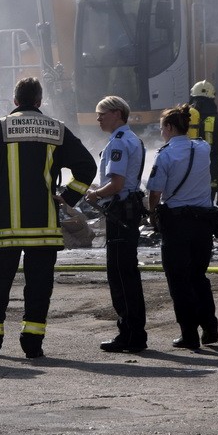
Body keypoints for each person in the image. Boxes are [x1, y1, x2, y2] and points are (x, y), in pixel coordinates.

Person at [0, 77, 96, 359]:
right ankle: (33, 344)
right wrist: (68, 197)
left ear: (15, 101)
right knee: (39, 285)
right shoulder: (56, 128)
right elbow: (87, 167)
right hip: (44, 227)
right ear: (40, 102)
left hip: (7, 225)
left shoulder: (1, 126)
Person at [148, 104, 218, 350]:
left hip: (177, 224)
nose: (160, 133)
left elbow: (155, 192)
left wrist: (151, 216)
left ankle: (188, 333)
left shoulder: (165, 155)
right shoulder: (203, 148)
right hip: (204, 223)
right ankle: (210, 328)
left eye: (161, 128)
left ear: (169, 127)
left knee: (179, 280)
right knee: (199, 277)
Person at [86, 95, 149, 353]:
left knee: (120, 275)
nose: (98, 118)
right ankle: (134, 333)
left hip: (120, 213)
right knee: (128, 274)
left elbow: (118, 184)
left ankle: (130, 334)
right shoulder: (132, 139)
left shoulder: (119, 143)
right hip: (127, 211)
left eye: (102, 113)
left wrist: (95, 194)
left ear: (116, 113)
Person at [187, 80, 218, 199]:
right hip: (210, 175)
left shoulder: (184, 118)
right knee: (206, 209)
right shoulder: (217, 121)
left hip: (187, 172)